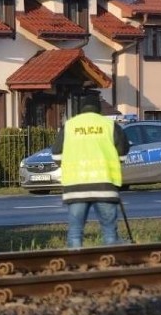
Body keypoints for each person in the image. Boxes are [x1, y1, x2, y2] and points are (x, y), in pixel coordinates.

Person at [51, 102, 130, 248]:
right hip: (105, 185)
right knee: (110, 234)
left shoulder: (69, 126)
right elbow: (123, 153)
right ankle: (111, 265)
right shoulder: (109, 125)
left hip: (75, 187)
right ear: (98, 111)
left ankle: (75, 265)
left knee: (75, 233)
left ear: (82, 111)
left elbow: (56, 155)